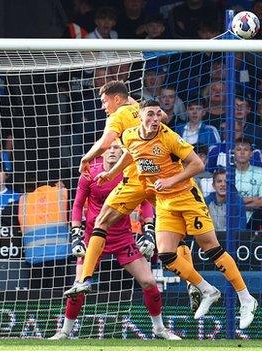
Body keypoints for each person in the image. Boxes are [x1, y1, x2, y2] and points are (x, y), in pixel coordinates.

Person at [95, 100, 258, 328]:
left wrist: (170, 180)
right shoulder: (130, 135)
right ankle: (207, 289)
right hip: (164, 202)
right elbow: (131, 154)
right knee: (166, 255)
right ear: (140, 116)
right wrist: (111, 173)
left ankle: (246, 298)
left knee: (210, 247)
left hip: (186, 197)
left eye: (158, 115)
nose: (154, 119)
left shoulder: (168, 137)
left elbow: (197, 164)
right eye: (150, 115)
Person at [63, 81, 197, 308]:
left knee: (101, 222)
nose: (103, 107)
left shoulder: (117, 116)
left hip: (137, 178)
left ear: (116, 99)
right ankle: (193, 282)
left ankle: (85, 279)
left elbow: (105, 143)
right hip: (158, 175)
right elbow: (164, 117)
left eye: (105, 102)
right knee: (177, 231)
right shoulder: (139, 107)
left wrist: (85, 157)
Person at [50, 141, 179, 340]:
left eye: (116, 148)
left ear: (123, 152)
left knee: (148, 281)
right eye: (108, 148)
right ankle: (65, 332)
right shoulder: (88, 173)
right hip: (94, 239)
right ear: (101, 152)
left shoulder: (130, 172)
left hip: (122, 237)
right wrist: (76, 235)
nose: (112, 151)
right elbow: (77, 206)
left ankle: (159, 329)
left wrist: (148, 230)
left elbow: (144, 201)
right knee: (79, 285)